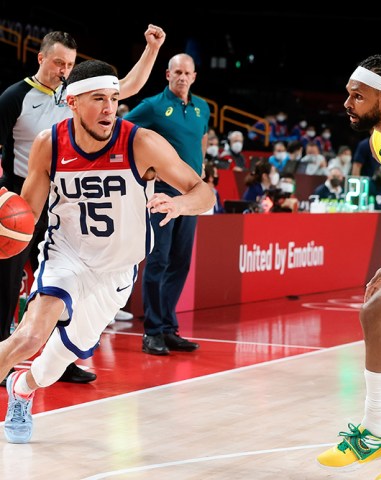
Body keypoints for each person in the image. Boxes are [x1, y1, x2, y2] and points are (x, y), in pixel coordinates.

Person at [1, 59, 215, 444]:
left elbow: (203, 191)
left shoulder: (141, 142)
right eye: (98, 98)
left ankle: (23, 386)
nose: (108, 108)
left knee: (52, 365)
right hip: (66, 254)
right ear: (73, 102)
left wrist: (181, 204)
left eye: (114, 99)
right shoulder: (50, 144)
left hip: (116, 271)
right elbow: (28, 215)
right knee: (30, 337)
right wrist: (7, 222)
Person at [0, 25, 166, 385]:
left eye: (70, 64)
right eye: (59, 62)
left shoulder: (78, 95)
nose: (64, 69)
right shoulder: (14, 97)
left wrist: (152, 49)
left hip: (69, 199)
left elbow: (129, 85)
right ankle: (8, 357)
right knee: (9, 284)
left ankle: (58, 360)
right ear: (41, 58)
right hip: (22, 199)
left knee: (59, 292)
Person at [317, 54, 381, 472]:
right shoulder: (378, 140)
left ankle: (376, 432)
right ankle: (375, 433)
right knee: (376, 314)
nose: (347, 102)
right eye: (348, 94)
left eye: (357, 96)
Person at [124, 53, 211, 356]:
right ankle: (152, 332)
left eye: (187, 73)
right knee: (158, 259)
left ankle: (168, 327)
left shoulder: (203, 108)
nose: (182, 77)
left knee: (180, 261)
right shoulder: (153, 106)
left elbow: (202, 139)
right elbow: (123, 131)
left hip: (190, 194)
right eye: (177, 72)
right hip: (160, 191)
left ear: (194, 76)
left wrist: (201, 169)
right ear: (167, 74)